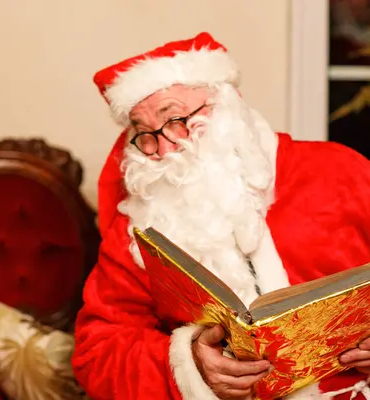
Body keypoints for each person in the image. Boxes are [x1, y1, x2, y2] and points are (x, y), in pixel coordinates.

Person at [71, 32, 370, 400]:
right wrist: (188, 366)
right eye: (144, 133)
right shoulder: (137, 224)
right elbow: (98, 354)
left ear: (225, 106)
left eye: (175, 119)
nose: (164, 148)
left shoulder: (338, 171)